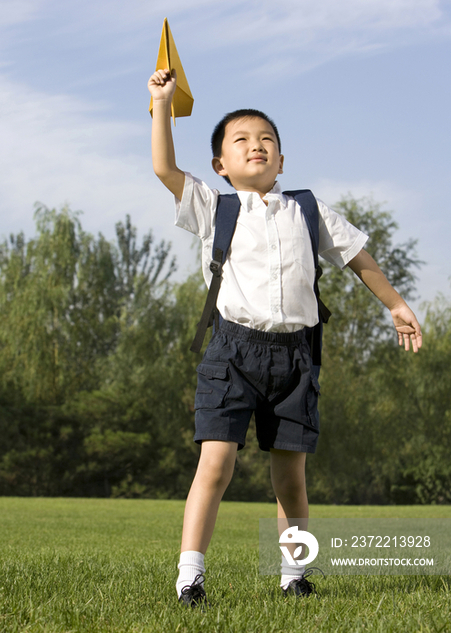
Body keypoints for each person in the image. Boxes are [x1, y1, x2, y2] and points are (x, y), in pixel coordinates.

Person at [147, 67, 422, 607]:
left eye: (267, 139)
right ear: (219, 165)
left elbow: (355, 258)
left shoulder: (308, 208)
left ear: (281, 159)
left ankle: (294, 576)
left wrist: (395, 303)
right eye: (242, 140)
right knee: (216, 464)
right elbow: (162, 167)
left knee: (290, 478)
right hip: (231, 351)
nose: (257, 146)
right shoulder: (214, 207)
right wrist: (161, 103)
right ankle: (190, 578)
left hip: (296, 356)